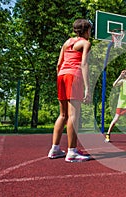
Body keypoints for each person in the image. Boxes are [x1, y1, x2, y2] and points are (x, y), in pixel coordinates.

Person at [48, 19, 92, 162]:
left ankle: (54, 149)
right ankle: (72, 151)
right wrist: (87, 88)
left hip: (61, 76)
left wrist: (60, 78)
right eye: (90, 30)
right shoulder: (85, 43)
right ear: (86, 30)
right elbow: (84, 63)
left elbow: (58, 64)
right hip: (74, 76)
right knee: (74, 115)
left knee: (63, 115)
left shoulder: (67, 42)